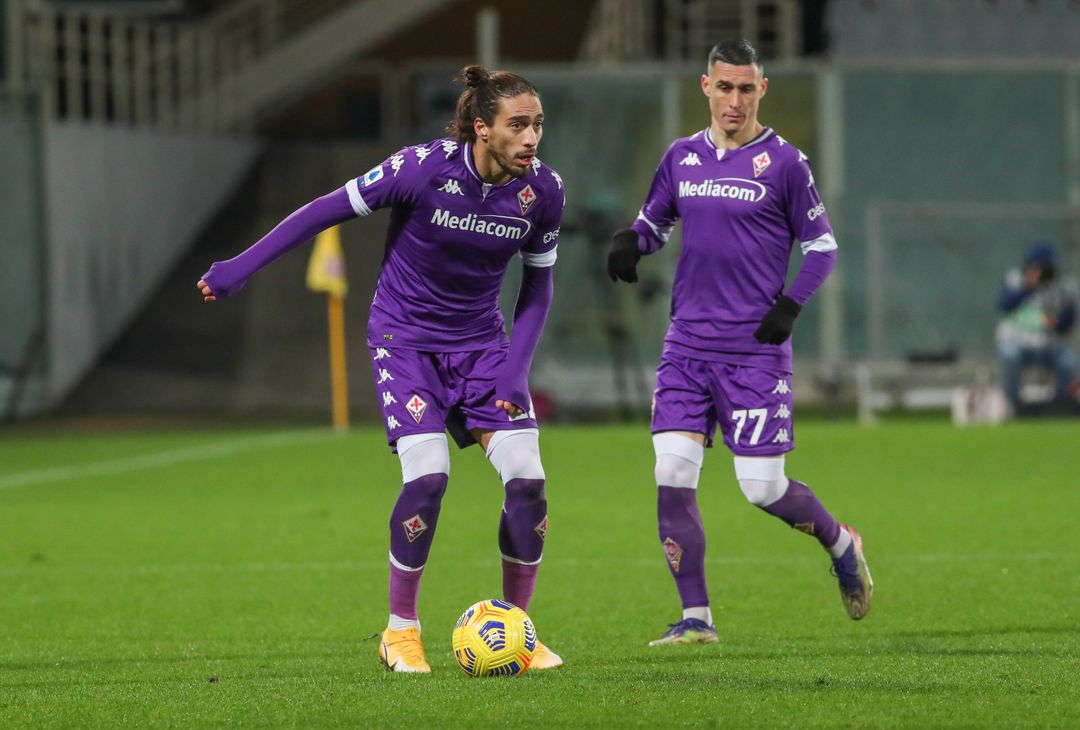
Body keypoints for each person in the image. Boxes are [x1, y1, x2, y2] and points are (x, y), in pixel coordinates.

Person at [197, 66, 566, 673]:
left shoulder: (543, 191)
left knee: (528, 481)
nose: (531, 138)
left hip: (482, 349)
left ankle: (518, 630)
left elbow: (538, 288)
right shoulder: (421, 168)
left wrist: (515, 372)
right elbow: (322, 211)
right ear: (482, 127)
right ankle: (400, 632)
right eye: (517, 125)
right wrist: (240, 267)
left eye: (538, 125)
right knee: (428, 478)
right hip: (405, 342)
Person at [606, 39, 873, 645]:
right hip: (686, 347)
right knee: (672, 471)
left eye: (746, 88)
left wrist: (790, 304)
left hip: (753, 352)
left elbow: (822, 248)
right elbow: (655, 222)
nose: (734, 100)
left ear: (762, 90)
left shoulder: (785, 163)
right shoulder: (681, 157)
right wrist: (631, 241)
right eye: (724, 87)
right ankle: (696, 618)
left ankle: (840, 543)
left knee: (761, 487)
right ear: (705, 87)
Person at [996, 243, 1078, 412]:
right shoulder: (1015, 279)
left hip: (1048, 346)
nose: (1040, 272)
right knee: (1010, 354)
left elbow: (1069, 321)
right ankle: (1013, 405)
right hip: (1017, 342)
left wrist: (1057, 322)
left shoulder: (1063, 286)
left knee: (1069, 361)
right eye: (1035, 267)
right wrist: (1028, 287)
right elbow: (1004, 305)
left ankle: (1060, 405)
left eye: (1044, 268)